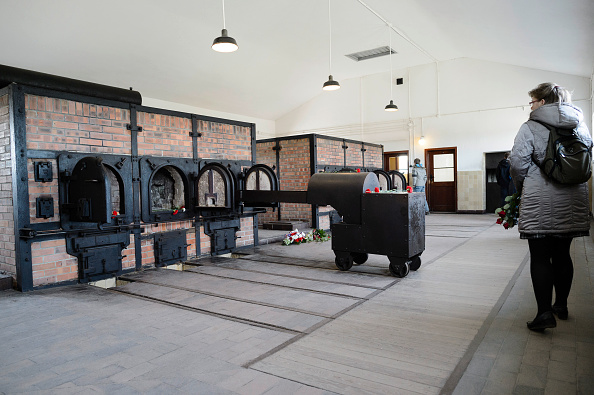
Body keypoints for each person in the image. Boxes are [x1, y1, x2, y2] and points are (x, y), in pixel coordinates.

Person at [510, 82, 592, 332]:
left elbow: (517, 163)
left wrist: (522, 187)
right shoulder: (580, 124)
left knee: (540, 257)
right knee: (563, 254)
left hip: (539, 200)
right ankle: (562, 305)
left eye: (532, 101)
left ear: (542, 102)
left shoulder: (530, 126)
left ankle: (544, 313)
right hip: (573, 198)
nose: (530, 106)